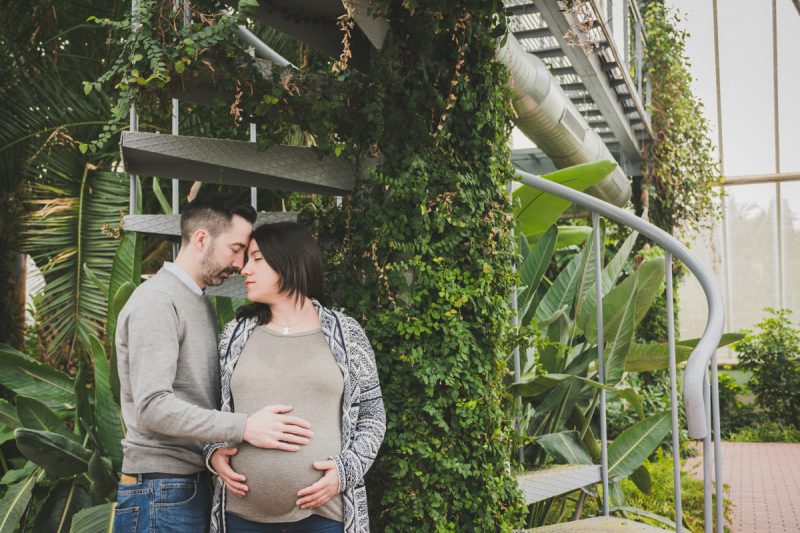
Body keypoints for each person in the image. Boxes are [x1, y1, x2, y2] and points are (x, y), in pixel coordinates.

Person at [114, 194, 315, 532]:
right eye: (236, 248)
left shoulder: (195, 300)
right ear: (202, 239)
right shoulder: (158, 302)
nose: (240, 263)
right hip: (160, 491)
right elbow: (152, 405)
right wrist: (244, 427)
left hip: (183, 486)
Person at [204, 222, 386, 533]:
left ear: (289, 262)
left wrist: (346, 471)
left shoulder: (346, 334)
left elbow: (372, 414)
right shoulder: (234, 336)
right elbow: (208, 407)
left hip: (326, 518)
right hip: (241, 518)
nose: (245, 269)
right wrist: (214, 453)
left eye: (257, 259)